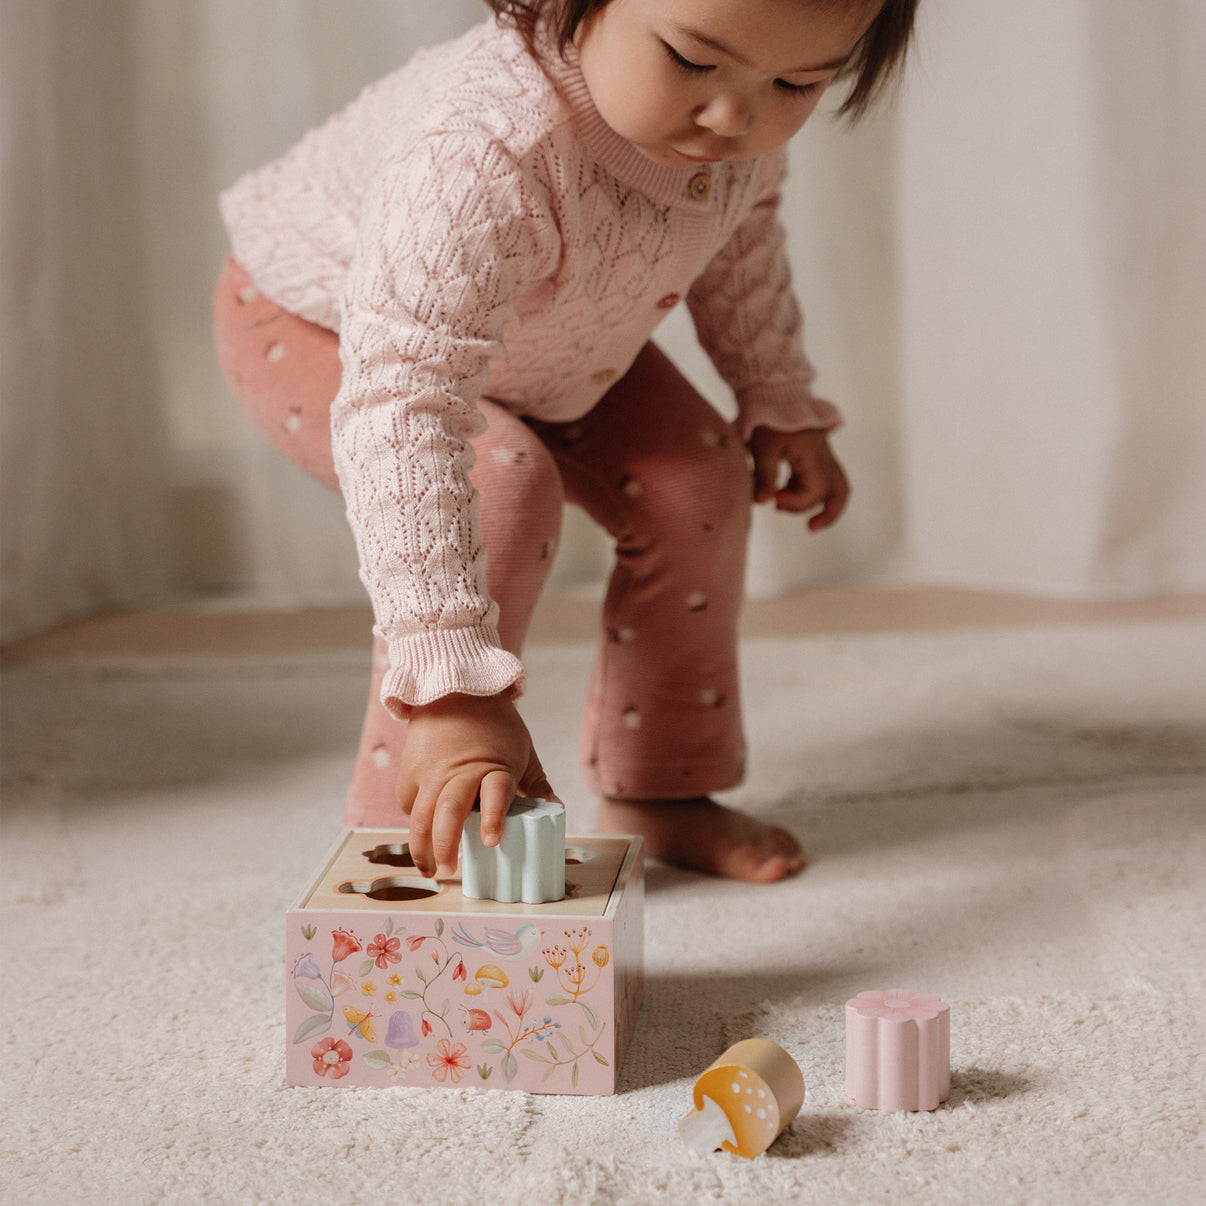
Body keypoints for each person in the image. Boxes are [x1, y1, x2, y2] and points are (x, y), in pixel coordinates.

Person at [214, 0, 917, 884]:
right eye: (691, 60)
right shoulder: (484, 147)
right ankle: (403, 826)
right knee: (502, 483)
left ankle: (660, 788)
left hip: (547, 335)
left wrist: (775, 395)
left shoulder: (735, 141)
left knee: (698, 481)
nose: (734, 116)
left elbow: (742, 244)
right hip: (325, 324)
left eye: (796, 82)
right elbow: (404, 400)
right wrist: (454, 688)